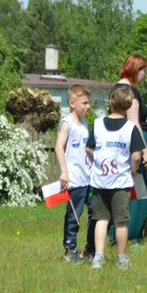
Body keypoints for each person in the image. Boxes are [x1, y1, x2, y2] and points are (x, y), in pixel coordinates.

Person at [87, 85, 145, 269]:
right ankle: (121, 258)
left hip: (100, 181)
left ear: (110, 103)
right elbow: (136, 156)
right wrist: (133, 171)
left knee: (101, 220)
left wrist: (96, 161)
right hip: (120, 182)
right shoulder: (130, 128)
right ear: (128, 106)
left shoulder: (97, 124)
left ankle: (98, 257)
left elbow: (89, 148)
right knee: (121, 222)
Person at [56, 84, 94, 262]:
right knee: (74, 215)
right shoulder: (67, 123)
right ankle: (69, 250)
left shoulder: (85, 124)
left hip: (88, 177)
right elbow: (58, 147)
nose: (88, 106)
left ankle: (90, 248)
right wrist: (64, 172)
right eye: (84, 103)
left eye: (89, 103)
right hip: (74, 179)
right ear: (72, 102)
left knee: (95, 212)